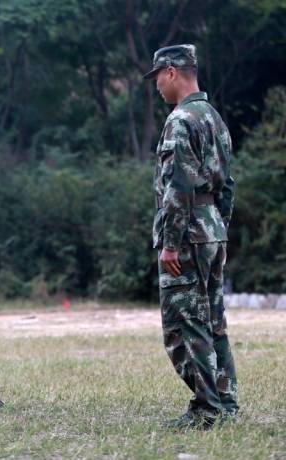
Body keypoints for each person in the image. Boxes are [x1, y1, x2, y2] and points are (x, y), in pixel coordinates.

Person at [144, 45, 239, 429]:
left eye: (157, 79)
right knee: (213, 320)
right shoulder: (213, 118)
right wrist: (218, 227)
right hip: (212, 230)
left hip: (187, 235)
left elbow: (178, 186)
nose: (156, 88)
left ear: (171, 71)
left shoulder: (181, 119)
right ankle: (225, 402)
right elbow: (227, 184)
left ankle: (208, 409)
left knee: (185, 324)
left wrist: (171, 242)